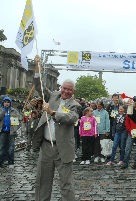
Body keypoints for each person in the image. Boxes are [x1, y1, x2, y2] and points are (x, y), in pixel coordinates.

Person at [33, 55, 81, 200]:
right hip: (46, 147)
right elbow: (39, 85)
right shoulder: (53, 95)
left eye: (69, 90)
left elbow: (71, 118)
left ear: (73, 92)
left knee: (66, 184)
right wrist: (37, 66)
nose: (66, 92)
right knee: (42, 181)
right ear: (61, 88)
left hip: (63, 149)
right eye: (64, 88)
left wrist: (52, 112)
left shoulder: (75, 105)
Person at [121, 100, 136, 170]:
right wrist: (129, 130)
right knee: (128, 149)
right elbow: (127, 122)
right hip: (131, 133)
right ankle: (125, 163)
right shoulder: (130, 112)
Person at [0, 96, 21, 168]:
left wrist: (15, 129)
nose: (6, 104)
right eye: (5, 102)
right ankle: (1, 162)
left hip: (11, 132)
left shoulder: (14, 111)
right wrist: (3, 111)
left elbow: (19, 120)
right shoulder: (1, 110)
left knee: (11, 147)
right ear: (3, 103)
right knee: (1, 147)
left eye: (8, 102)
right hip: (2, 131)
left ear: (10, 103)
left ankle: (11, 162)